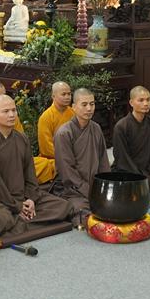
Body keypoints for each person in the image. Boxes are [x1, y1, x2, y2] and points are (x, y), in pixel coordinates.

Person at [0, 95, 73, 241]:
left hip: (23, 195)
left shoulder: (22, 138)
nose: (11, 115)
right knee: (1, 219)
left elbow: (30, 174)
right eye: (6, 111)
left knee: (63, 206)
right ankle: (23, 218)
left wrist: (31, 199)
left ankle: (20, 221)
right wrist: (17, 206)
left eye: (14, 110)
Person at [52, 88, 109, 224]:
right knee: (82, 210)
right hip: (72, 190)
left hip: (95, 186)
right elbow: (67, 171)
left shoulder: (96, 128)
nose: (89, 108)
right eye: (84, 104)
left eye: (92, 104)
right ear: (74, 107)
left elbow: (103, 161)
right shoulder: (64, 133)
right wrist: (88, 190)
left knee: (115, 204)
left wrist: (106, 185)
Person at [37, 81, 73, 183]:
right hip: (53, 158)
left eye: (69, 94)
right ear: (53, 96)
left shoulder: (73, 113)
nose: (67, 97)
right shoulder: (46, 117)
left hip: (73, 155)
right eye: (63, 94)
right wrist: (65, 157)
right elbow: (46, 148)